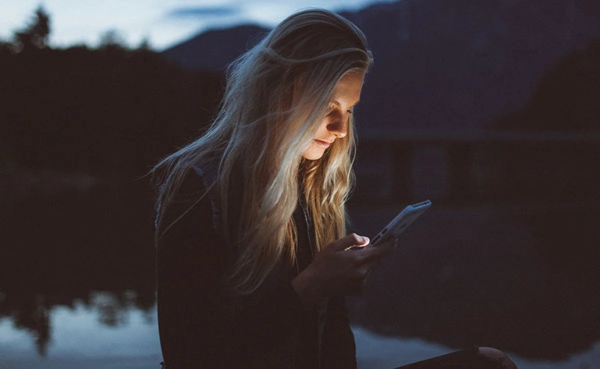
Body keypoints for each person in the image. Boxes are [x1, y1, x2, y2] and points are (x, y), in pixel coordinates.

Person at [152, 9, 518, 369]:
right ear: (279, 91)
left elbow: (335, 338)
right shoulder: (199, 187)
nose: (341, 128)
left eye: (350, 109)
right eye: (329, 106)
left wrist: (333, 284)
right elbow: (191, 353)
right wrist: (312, 285)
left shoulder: (313, 188)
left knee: (491, 363)